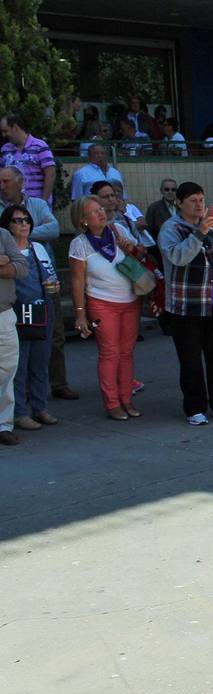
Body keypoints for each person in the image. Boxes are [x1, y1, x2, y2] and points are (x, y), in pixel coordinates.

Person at [158, 182, 213, 423]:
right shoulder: (170, 228)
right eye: (192, 200)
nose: (199, 205)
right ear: (180, 203)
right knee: (191, 360)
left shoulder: (211, 226)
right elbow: (178, 257)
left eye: (201, 199)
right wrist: (199, 233)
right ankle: (195, 409)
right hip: (186, 306)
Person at [68, 196, 145, 421]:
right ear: (83, 220)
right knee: (110, 353)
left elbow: (142, 255)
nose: (101, 213)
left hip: (130, 300)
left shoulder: (118, 229)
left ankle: (127, 399)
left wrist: (131, 248)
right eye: (93, 211)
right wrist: (80, 314)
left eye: (100, 208)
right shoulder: (79, 244)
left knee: (127, 352)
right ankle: (112, 403)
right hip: (101, 303)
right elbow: (77, 281)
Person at [1, 203, 57, 431]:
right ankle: (20, 412)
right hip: (17, 310)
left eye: (26, 220)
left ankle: (40, 406)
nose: (24, 224)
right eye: (18, 220)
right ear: (7, 224)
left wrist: (52, 287)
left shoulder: (39, 248)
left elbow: (50, 275)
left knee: (41, 362)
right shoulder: (7, 249)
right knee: (19, 365)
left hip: (42, 309)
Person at [0, 221, 28, 445]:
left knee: (6, 369)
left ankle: (3, 425)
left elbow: (21, 266)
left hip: (4, 313)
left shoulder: (2, 235)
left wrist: (5, 265)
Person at [0, 113, 56, 204]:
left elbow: (51, 174)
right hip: (11, 206)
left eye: (5, 131)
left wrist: (43, 202)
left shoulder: (40, 146)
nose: (3, 135)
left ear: (15, 128)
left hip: (35, 203)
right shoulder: (5, 149)